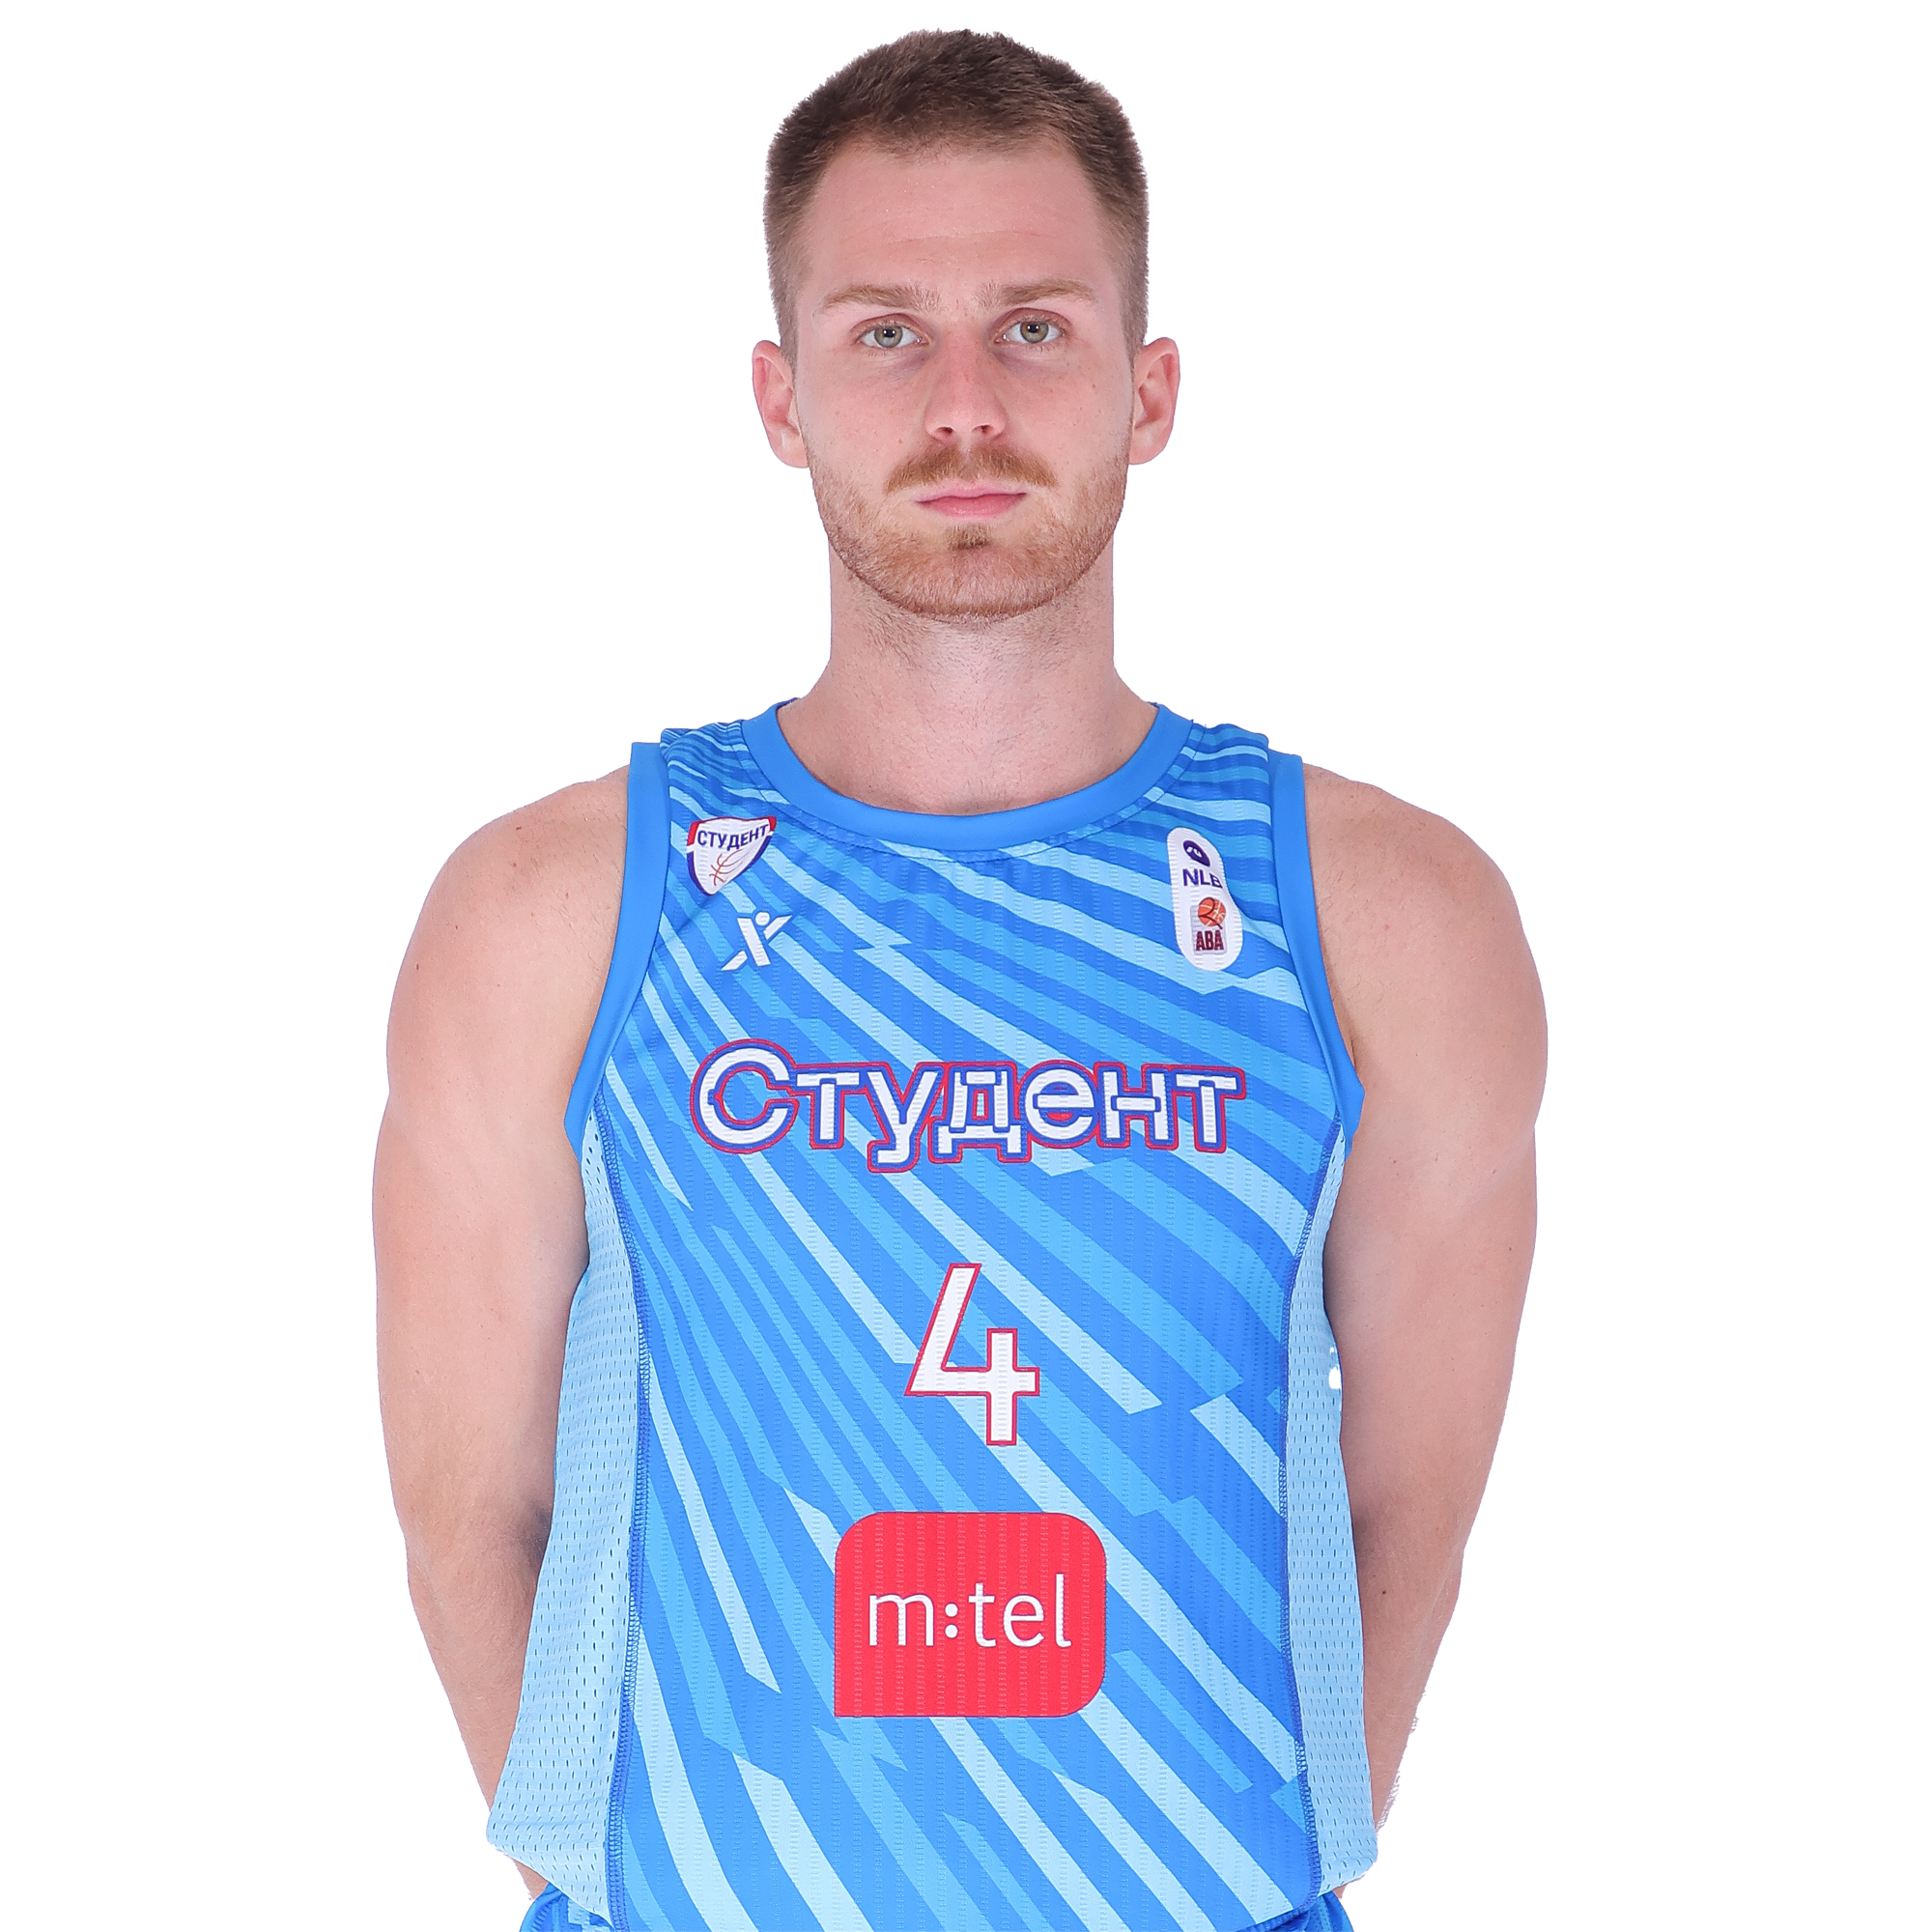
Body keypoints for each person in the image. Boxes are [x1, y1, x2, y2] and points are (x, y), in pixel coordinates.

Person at [375, 28, 1546, 1932]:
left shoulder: (1385, 915)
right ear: (782, 398)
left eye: (1034, 328)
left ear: (1149, 389)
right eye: (887, 334)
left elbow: (1404, 1508)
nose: (966, 407)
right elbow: (464, 1513)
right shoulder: (553, 908)